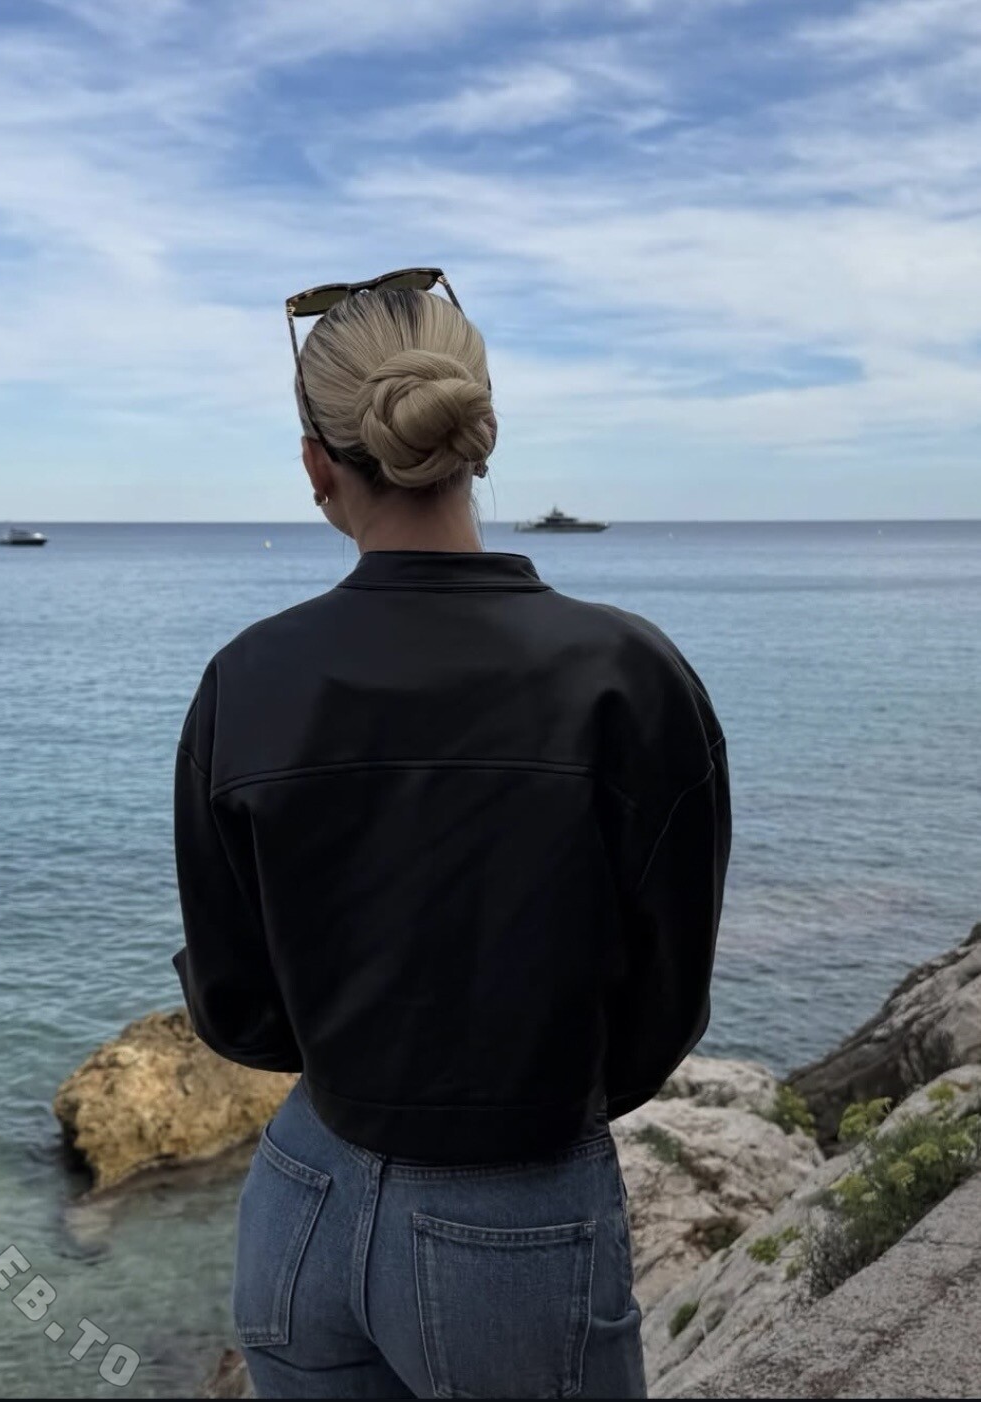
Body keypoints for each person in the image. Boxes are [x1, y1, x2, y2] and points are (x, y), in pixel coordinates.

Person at [172, 268, 731, 1400]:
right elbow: (664, 1000)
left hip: (301, 1192)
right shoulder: (628, 674)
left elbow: (236, 1005)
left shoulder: (246, 678)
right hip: (516, 1208)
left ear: (316, 464)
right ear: (477, 433)